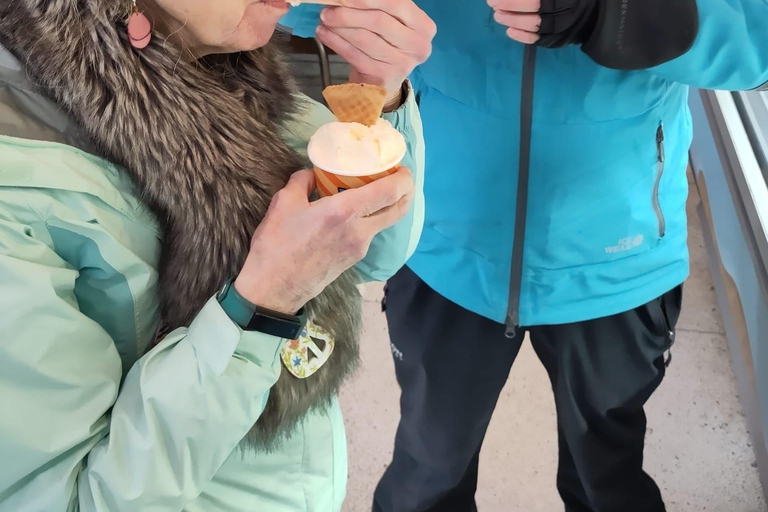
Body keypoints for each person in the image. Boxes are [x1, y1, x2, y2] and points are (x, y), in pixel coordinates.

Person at [282, 1, 768, 511]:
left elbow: (756, 40)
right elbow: (286, 9)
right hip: (445, 244)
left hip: (617, 258)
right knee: (429, 471)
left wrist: (619, 14)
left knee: (606, 476)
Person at [0, 1, 435, 510]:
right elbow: (71, 498)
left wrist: (376, 99)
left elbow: (373, 256)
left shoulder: (228, 57)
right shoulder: (18, 189)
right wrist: (263, 303)